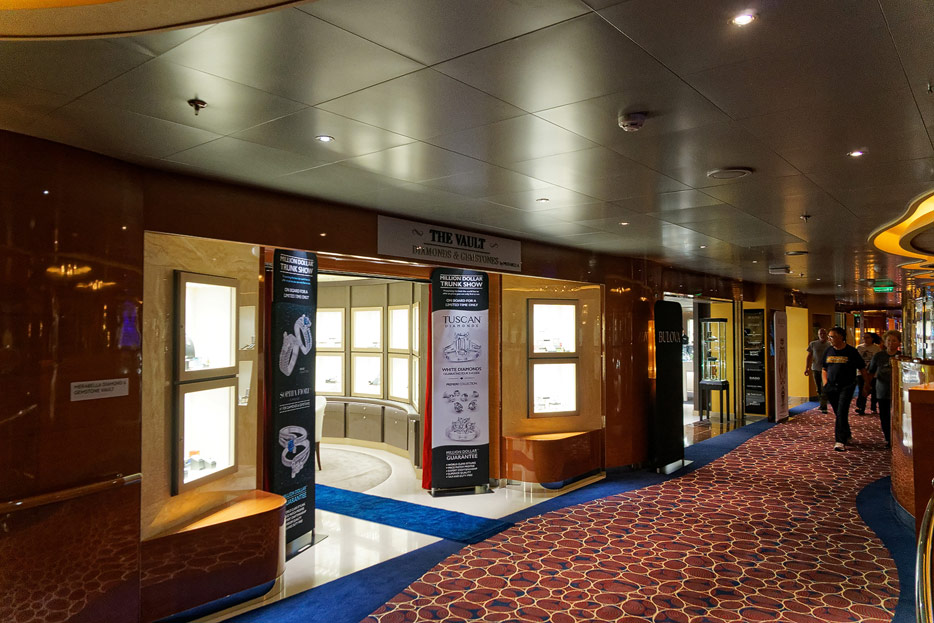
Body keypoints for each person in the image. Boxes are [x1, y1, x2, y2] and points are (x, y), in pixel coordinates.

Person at [822, 326, 870, 452]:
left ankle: (840, 440)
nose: (830, 339)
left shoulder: (851, 351)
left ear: (841, 337)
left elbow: (862, 368)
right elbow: (824, 368)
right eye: (829, 337)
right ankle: (846, 432)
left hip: (847, 386)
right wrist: (825, 383)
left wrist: (866, 384)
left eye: (832, 337)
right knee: (838, 412)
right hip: (831, 386)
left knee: (842, 411)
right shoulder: (828, 351)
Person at [866, 330, 901, 448]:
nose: (891, 343)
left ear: (899, 343)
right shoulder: (879, 356)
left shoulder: (902, 356)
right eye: (888, 340)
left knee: (898, 416)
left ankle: (897, 438)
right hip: (882, 390)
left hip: (898, 391)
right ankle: (888, 438)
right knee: (884, 416)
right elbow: (871, 372)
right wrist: (867, 386)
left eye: (894, 341)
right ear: (885, 342)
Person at [805, 328, 831, 413]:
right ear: (818, 335)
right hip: (815, 368)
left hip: (826, 369)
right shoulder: (813, 344)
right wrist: (807, 367)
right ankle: (822, 404)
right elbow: (809, 356)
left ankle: (824, 406)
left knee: (824, 388)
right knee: (818, 388)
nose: (822, 335)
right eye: (820, 334)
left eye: (824, 333)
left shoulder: (830, 344)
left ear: (826, 334)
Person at [855, 332, 881, 414]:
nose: (865, 339)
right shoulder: (859, 347)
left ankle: (873, 406)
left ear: (872, 338)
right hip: (861, 372)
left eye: (868, 337)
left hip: (873, 373)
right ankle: (861, 407)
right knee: (862, 389)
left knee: (874, 391)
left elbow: (878, 361)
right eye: (864, 337)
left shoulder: (876, 348)